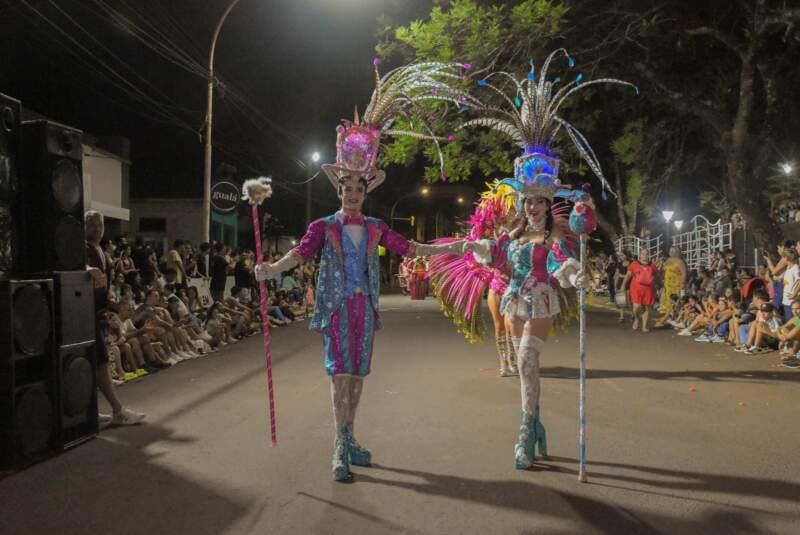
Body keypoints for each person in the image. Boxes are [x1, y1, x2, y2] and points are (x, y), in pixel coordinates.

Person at [255, 59, 472, 482]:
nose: (353, 193)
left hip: (365, 310)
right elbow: (298, 254)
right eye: (347, 187)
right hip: (337, 308)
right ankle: (338, 446)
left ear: (366, 189)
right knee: (339, 377)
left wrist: (456, 247)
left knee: (357, 378)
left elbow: (412, 247)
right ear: (338, 188)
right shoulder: (324, 226)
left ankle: (350, 435)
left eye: (359, 187)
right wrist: (270, 269)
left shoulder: (376, 227)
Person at [85, 210, 145, 426]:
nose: (97, 229)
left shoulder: (100, 250)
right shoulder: (82, 248)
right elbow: (74, 265)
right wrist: (89, 269)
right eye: (92, 225)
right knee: (99, 363)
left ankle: (90, 411)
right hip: (85, 315)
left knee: (92, 364)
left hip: (100, 313)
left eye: (100, 225)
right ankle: (118, 410)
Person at [623, 248, 659, 332]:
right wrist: (623, 285)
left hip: (649, 289)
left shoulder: (652, 265)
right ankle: (636, 318)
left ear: (649, 255)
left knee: (647, 308)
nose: (645, 256)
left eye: (646, 254)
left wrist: (661, 285)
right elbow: (628, 275)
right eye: (643, 254)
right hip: (636, 288)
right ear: (640, 255)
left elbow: (657, 277)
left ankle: (644, 326)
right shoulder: (634, 264)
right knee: (636, 307)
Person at [658, 246, 686, 321]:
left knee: (675, 300)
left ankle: (676, 318)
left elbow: (684, 273)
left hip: (676, 284)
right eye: (670, 250)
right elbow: (663, 271)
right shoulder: (668, 260)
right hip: (667, 284)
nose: (671, 252)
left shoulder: (680, 261)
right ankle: (669, 316)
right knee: (667, 300)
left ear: (677, 252)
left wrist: (682, 283)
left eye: (673, 251)